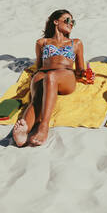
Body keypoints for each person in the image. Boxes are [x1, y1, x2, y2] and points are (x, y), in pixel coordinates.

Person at [13, 9, 89, 147]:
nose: (71, 23)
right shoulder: (42, 42)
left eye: (73, 22)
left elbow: (80, 69)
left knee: (51, 76)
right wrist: (35, 76)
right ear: (56, 21)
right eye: (67, 20)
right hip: (44, 73)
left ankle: (44, 126)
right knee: (36, 98)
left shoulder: (76, 43)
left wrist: (84, 74)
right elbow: (39, 65)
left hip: (65, 75)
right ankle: (24, 130)